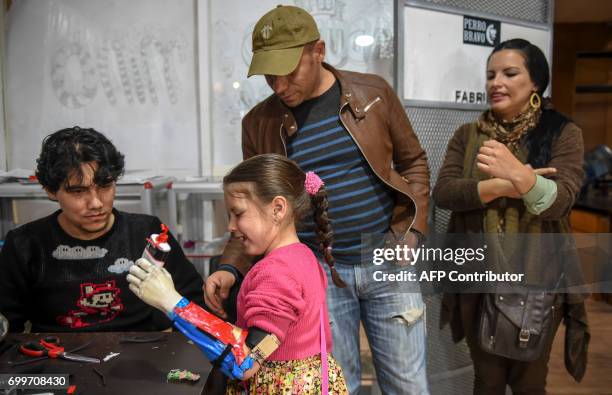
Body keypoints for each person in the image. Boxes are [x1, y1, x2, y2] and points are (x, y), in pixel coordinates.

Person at [204, 5, 431, 394]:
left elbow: (415, 163)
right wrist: (230, 266)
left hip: (387, 259)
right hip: (316, 274)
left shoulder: (372, 93)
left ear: (319, 51)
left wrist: (411, 234)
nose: (278, 84)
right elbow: (253, 207)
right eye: (269, 74)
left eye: (289, 71)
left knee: (407, 385)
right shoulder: (258, 123)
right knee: (334, 384)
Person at [433, 39, 589, 394]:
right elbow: (445, 193)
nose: (495, 82)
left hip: (538, 278)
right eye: (490, 75)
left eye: (509, 73)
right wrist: (506, 185)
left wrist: (519, 174)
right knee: (485, 379)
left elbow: (560, 202)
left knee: (529, 380)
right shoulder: (467, 135)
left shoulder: (562, 133)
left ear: (535, 82)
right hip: (478, 277)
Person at [128, 154, 348, 394]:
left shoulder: (276, 272)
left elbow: (244, 362)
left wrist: (170, 301)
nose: (230, 226)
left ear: (278, 208)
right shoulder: (303, 255)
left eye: (238, 213)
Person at [0, 126, 204, 332]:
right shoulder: (24, 244)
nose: (96, 203)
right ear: (51, 191)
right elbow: (7, 326)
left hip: (144, 354)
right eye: (78, 191)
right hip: (56, 358)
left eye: (105, 186)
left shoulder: (148, 233)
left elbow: (194, 304)